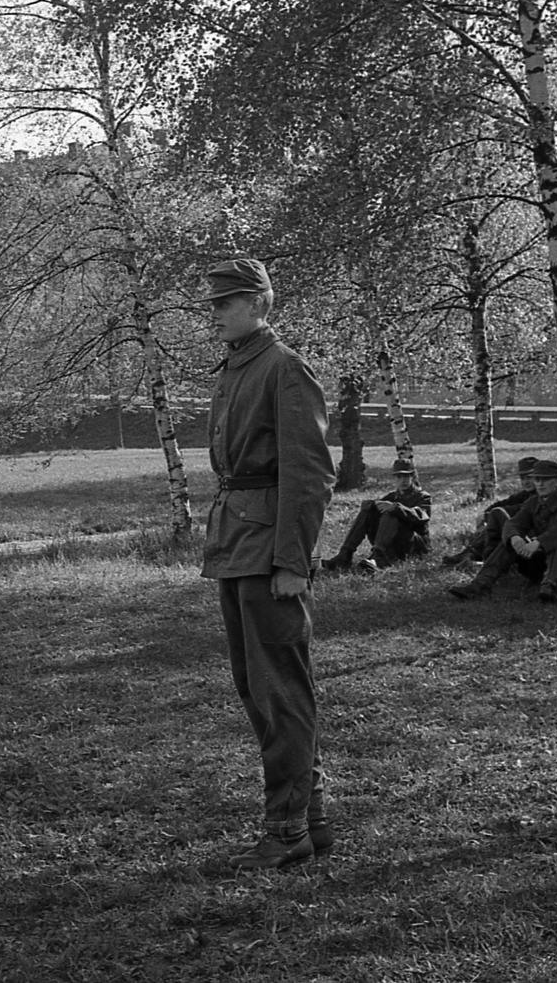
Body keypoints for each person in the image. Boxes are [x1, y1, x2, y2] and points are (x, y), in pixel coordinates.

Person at [198, 258, 335, 871]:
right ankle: (311, 818)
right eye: (212, 303)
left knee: (279, 692)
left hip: (269, 550)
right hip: (237, 542)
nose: (214, 313)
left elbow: (310, 473)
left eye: (225, 302)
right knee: (259, 689)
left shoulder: (283, 367)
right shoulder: (239, 365)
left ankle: (286, 831)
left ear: (258, 302)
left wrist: (292, 562)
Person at [448, 459, 557, 602]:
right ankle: (479, 585)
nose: (540, 484)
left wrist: (539, 543)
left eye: (545, 480)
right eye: (537, 480)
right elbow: (514, 523)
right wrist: (515, 538)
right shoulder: (532, 502)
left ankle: (550, 587)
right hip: (541, 563)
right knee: (508, 543)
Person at [321, 455, 431, 572]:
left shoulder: (423, 497)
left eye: (406, 476)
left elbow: (421, 516)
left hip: (414, 545)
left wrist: (396, 508)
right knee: (368, 511)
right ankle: (345, 555)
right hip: (394, 544)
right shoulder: (391, 497)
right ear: (394, 478)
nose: (403, 480)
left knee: (391, 513)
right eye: (399, 476)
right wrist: (371, 506)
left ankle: (378, 557)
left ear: (413, 477)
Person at [440, 456, 538, 565]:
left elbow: (518, 510)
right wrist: (485, 514)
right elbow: (504, 503)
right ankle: (471, 555)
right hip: (519, 535)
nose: (525, 482)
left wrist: (492, 515)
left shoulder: (541, 496)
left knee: (498, 517)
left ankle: (480, 557)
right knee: (495, 519)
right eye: (522, 478)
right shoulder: (526, 494)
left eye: (529, 477)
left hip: (532, 541)